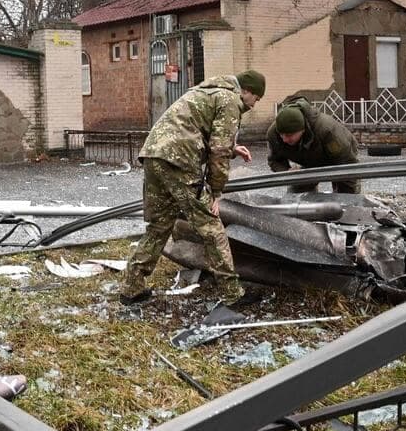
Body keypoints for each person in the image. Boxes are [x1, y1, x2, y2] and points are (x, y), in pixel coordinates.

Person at [118, 70, 265, 307]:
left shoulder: (207, 91)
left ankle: (131, 288)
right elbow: (218, 151)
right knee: (211, 226)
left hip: (154, 155)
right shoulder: (230, 100)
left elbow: (196, 129)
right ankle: (232, 295)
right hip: (179, 160)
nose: (254, 104)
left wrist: (232, 148)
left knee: (159, 226)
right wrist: (216, 192)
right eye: (256, 98)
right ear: (246, 91)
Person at [267, 97, 361, 194]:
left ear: (302, 130)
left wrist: (348, 194)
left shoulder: (327, 131)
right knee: (297, 191)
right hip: (309, 160)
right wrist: (287, 172)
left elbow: (347, 166)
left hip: (340, 156)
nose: (284, 140)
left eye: (289, 135)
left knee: (345, 192)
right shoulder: (273, 134)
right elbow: (274, 161)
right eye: (281, 134)